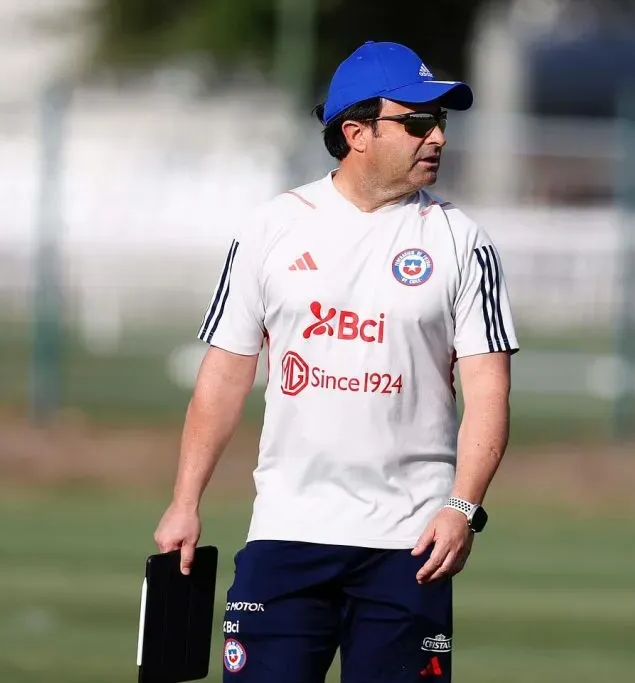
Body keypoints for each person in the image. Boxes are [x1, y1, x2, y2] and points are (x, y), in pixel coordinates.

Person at [153, 40, 519, 683]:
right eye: (416, 122)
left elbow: (489, 394)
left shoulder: (462, 240)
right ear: (355, 132)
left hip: (411, 547)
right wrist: (185, 500)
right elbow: (224, 375)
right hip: (287, 534)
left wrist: (463, 508)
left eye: (440, 122)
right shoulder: (271, 228)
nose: (436, 137)